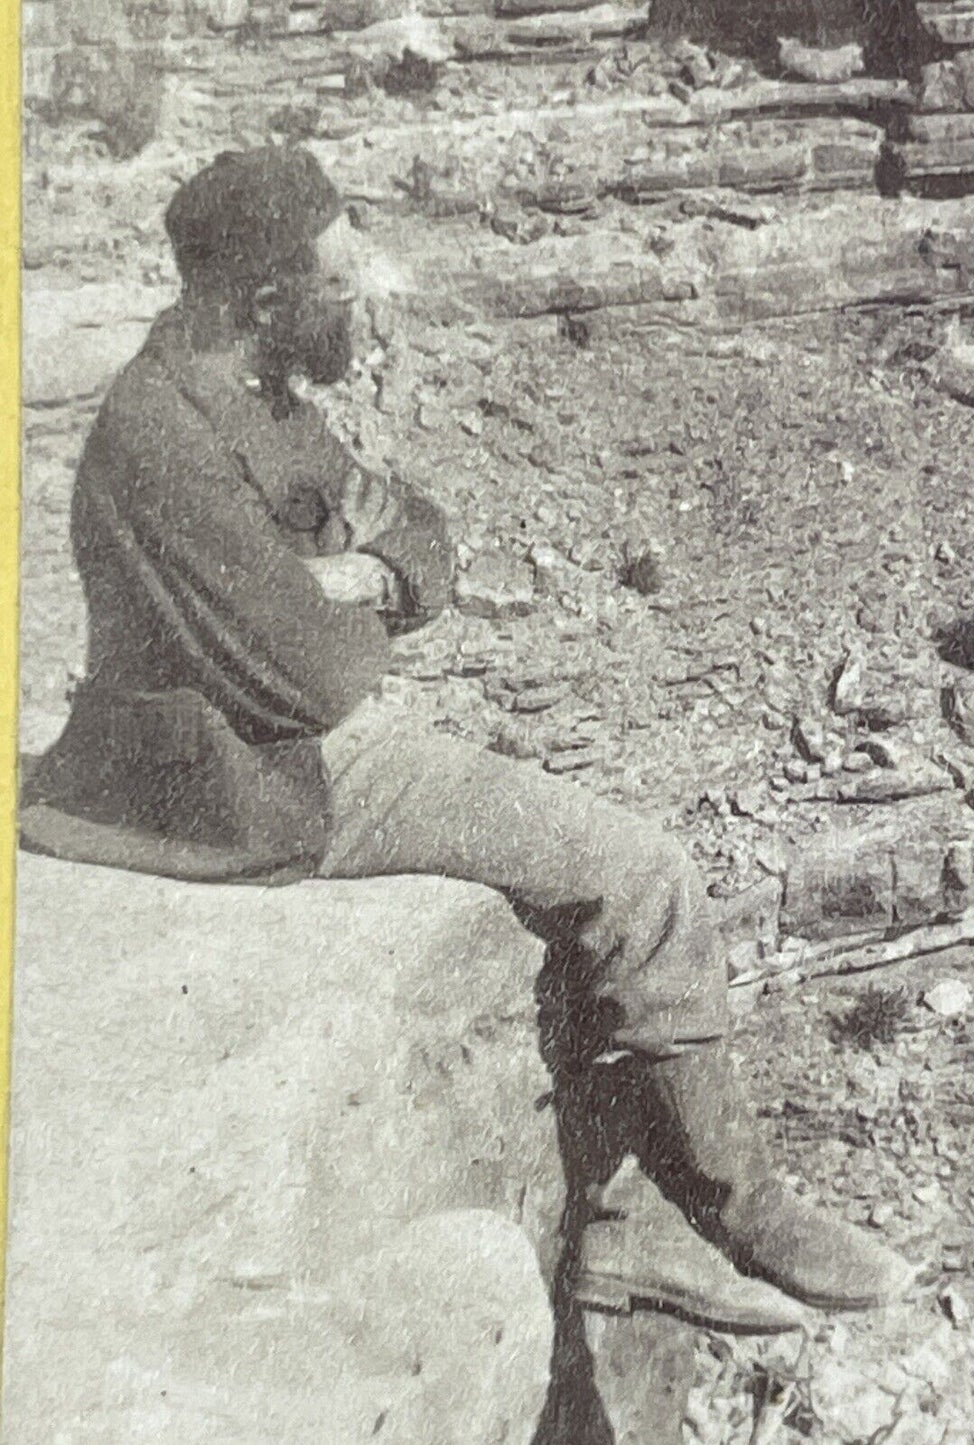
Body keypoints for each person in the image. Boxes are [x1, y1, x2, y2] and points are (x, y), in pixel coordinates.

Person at [20, 146, 914, 1335]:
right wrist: (352, 592)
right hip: (239, 782)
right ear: (268, 301)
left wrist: (352, 575)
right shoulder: (164, 439)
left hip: (275, 736)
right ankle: (737, 1205)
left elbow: (421, 533)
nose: (369, 298)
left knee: (576, 860)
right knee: (638, 872)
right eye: (342, 284)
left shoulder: (246, 394)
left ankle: (610, 1232)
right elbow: (320, 674)